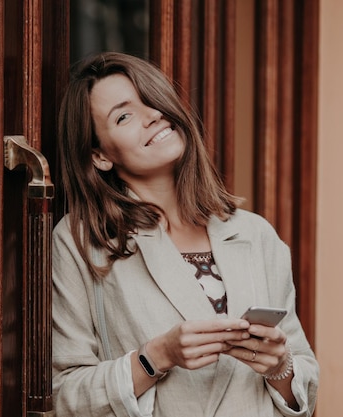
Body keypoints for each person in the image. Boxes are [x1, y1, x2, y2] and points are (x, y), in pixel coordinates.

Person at [52, 52, 318, 417]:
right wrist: (157, 357)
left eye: (152, 99)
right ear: (99, 155)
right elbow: (64, 393)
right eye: (124, 115)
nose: (153, 115)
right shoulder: (82, 240)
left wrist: (279, 366)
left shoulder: (254, 233)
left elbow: (303, 383)